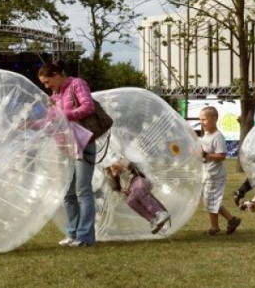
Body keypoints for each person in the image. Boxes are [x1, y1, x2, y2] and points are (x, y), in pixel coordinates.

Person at [38, 61, 97, 247]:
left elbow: (88, 107)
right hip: (64, 147)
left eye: (48, 82)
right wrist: (28, 125)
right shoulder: (54, 96)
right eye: (44, 84)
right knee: (67, 193)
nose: (47, 86)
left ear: (57, 74)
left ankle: (85, 236)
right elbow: (49, 122)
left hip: (82, 144)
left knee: (82, 190)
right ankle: (72, 233)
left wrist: (64, 114)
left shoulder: (77, 84)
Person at [199, 106, 241, 236]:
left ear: (214, 119)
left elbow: (222, 156)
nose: (202, 122)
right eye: (200, 120)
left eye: (204, 119)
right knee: (211, 201)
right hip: (207, 174)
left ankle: (215, 227)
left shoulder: (217, 137)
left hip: (215, 175)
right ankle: (232, 219)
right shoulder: (206, 135)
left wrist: (206, 155)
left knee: (210, 201)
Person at [103, 158, 170, 234]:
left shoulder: (121, 160)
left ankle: (159, 212)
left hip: (139, 180)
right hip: (131, 189)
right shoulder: (109, 171)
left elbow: (131, 165)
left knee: (138, 190)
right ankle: (152, 220)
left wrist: (120, 163)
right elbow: (114, 186)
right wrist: (118, 183)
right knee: (130, 201)